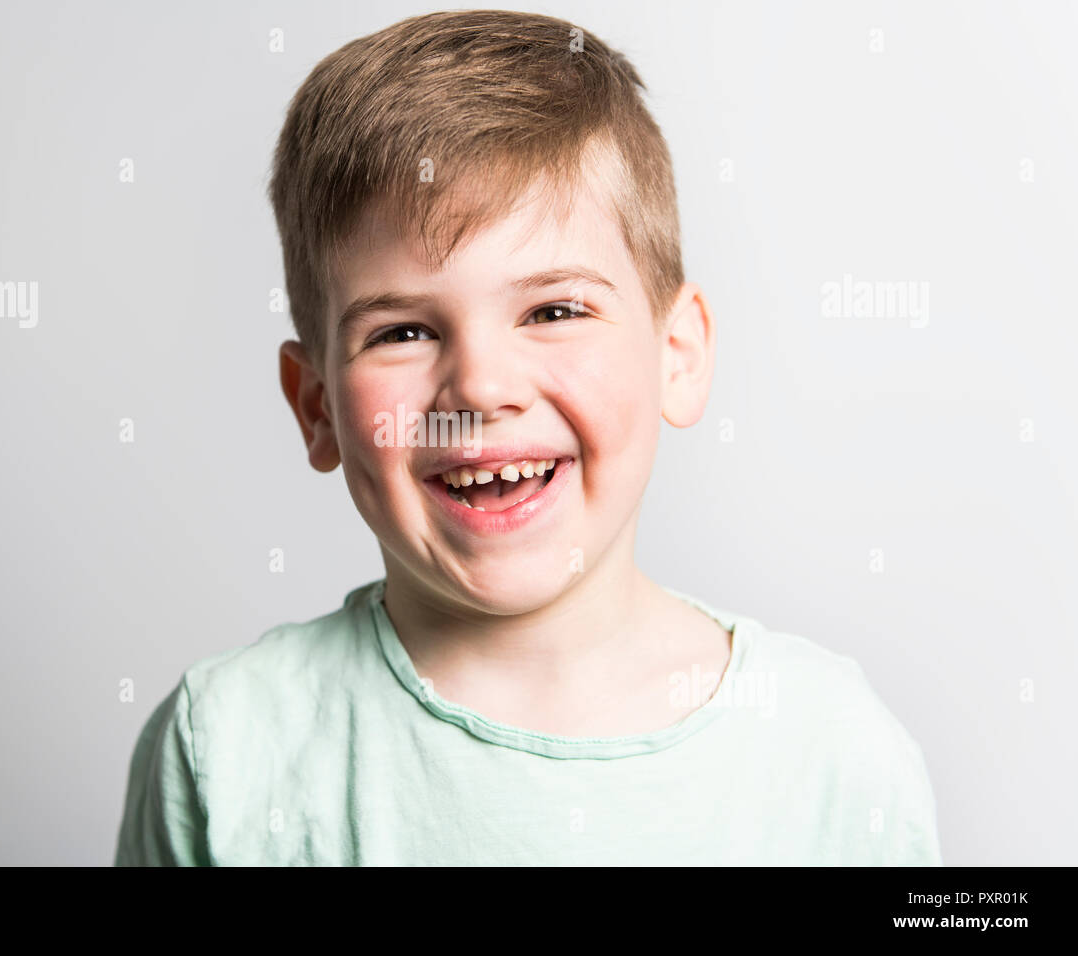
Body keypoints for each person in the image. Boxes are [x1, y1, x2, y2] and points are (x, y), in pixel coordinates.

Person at [114, 9, 941, 866]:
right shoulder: (225, 748)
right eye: (401, 331)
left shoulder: (829, 755)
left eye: (554, 310)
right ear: (317, 405)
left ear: (677, 355)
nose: (480, 386)